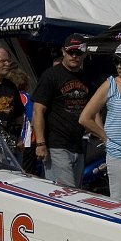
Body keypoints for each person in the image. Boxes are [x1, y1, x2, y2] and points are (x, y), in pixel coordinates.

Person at [79, 41, 121, 202]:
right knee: (119, 201)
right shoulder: (110, 85)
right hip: (118, 154)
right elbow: (85, 117)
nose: (119, 66)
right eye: (116, 61)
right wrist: (105, 137)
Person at [32, 34, 91, 187]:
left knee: (76, 191)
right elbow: (38, 110)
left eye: (78, 53)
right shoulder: (51, 75)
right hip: (56, 144)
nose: (74, 56)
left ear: (85, 54)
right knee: (65, 193)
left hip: (78, 144)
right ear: (63, 52)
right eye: (71, 52)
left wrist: (104, 136)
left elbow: (92, 111)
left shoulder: (86, 77)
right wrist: (40, 143)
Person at [7, 67, 39, 175]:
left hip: (10, 139)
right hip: (27, 141)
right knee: (27, 172)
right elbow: (33, 118)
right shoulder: (26, 97)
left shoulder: (7, 98)